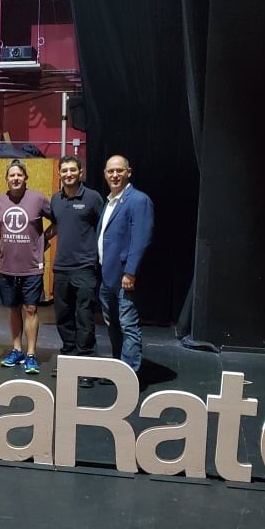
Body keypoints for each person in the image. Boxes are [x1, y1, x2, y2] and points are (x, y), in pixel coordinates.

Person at [49, 155, 105, 387]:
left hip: (85, 269)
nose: (69, 174)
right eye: (65, 171)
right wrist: (38, 242)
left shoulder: (92, 198)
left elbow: (104, 227)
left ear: (80, 173)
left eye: (73, 170)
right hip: (61, 268)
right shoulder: (55, 200)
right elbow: (55, 225)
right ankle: (69, 361)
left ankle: (86, 367)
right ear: (60, 174)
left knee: (83, 317)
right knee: (63, 317)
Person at [0, 159, 52, 375]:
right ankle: (17, 349)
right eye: (12, 175)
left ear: (25, 178)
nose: (15, 178)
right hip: (7, 267)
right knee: (13, 308)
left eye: (19, 175)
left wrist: (43, 240)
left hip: (31, 267)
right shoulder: (0, 201)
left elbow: (56, 220)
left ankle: (30, 354)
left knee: (31, 308)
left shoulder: (37, 198)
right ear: (7, 179)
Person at [97, 154, 154, 372]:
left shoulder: (138, 200)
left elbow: (141, 240)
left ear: (128, 172)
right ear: (104, 174)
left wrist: (130, 272)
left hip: (124, 278)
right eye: (110, 171)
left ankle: (129, 375)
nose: (114, 175)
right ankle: (119, 370)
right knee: (113, 325)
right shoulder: (110, 201)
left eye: (119, 170)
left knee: (128, 326)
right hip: (107, 277)